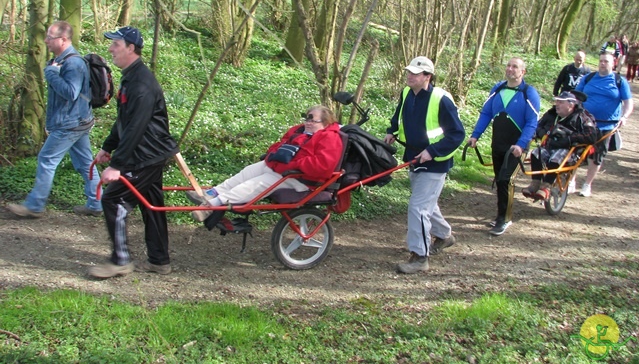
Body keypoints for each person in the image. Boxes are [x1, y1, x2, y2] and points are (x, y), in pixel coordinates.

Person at [88, 26, 179, 279]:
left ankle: (120, 261)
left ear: (130, 48)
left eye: (115, 44)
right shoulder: (131, 77)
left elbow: (136, 128)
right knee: (152, 205)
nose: (110, 49)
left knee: (113, 200)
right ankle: (159, 261)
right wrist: (107, 147)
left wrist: (117, 165)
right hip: (149, 152)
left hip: (145, 155)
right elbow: (124, 121)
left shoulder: (141, 84)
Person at [186, 105, 344, 226]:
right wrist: (274, 156)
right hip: (280, 168)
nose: (308, 123)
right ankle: (213, 192)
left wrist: (291, 164)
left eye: (312, 120)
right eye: (306, 119)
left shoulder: (329, 138)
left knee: (255, 184)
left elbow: (322, 165)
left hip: (300, 178)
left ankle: (211, 206)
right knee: (248, 172)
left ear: (325, 122)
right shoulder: (299, 131)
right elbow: (280, 144)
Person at [7, 21, 102, 219]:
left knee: (46, 159)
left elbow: (71, 92)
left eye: (50, 37)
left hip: (70, 124)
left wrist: (50, 74)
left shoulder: (73, 63)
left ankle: (34, 205)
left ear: (64, 39)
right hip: (78, 120)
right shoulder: (61, 60)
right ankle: (96, 203)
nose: (46, 41)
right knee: (85, 163)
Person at [383, 57, 465, 274]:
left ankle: (420, 256)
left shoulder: (441, 99)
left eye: (415, 73)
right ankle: (445, 236)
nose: (409, 76)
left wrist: (432, 151)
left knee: (418, 207)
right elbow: (398, 116)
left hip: (435, 163)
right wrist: (392, 131)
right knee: (427, 204)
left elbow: (457, 134)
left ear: (427, 77)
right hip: (413, 158)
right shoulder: (406, 93)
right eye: (408, 72)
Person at [467, 57, 540, 236]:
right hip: (498, 142)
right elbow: (486, 113)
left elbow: (532, 122)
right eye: (508, 65)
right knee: (499, 179)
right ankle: (500, 215)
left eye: (515, 67)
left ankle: (505, 219)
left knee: (506, 180)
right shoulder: (498, 89)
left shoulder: (528, 93)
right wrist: (475, 135)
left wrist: (521, 145)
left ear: (522, 72)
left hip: (516, 145)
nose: (510, 69)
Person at [574, 52, 633, 197]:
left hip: (606, 126)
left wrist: (624, 116)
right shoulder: (588, 78)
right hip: (584, 122)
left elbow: (628, 102)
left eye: (606, 61)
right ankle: (571, 181)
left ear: (613, 63)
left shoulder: (619, 81)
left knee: (596, 156)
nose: (602, 64)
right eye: (600, 61)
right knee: (574, 151)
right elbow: (575, 96)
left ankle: (587, 184)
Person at [522, 91, 598, 201]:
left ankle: (546, 187)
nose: (557, 104)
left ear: (571, 105)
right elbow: (537, 126)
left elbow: (592, 136)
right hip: (549, 146)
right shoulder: (551, 114)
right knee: (535, 153)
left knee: (556, 158)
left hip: (570, 151)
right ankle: (535, 183)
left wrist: (569, 138)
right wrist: (540, 133)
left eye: (561, 102)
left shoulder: (582, 117)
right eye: (557, 101)